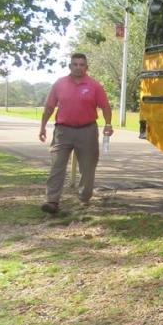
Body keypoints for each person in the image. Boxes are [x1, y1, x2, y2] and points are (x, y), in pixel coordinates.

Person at [39, 53, 113, 214]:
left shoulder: (94, 85)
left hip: (87, 131)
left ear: (86, 67)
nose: (78, 67)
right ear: (70, 66)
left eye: (82, 64)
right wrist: (43, 126)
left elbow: (106, 107)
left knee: (87, 167)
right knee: (57, 166)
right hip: (63, 131)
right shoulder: (60, 84)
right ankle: (52, 201)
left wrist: (108, 124)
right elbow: (50, 107)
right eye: (75, 64)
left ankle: (84, 197)